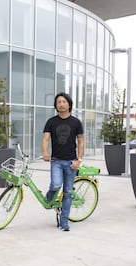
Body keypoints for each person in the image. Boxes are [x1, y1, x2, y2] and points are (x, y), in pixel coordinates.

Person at [41, 92, 84, 231]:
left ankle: (64, 221)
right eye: (58, 102)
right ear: (56, 105)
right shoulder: (51, 122)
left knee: (67, 193)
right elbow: (45, 139)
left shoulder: (76, 122)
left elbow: (81, 142)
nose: (61, 104)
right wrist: (45, 153)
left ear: (69, 104)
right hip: (56, 161)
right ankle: (49, 197)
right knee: (55, 184)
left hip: (71, 162)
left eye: (64, 101)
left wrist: (79, 160)